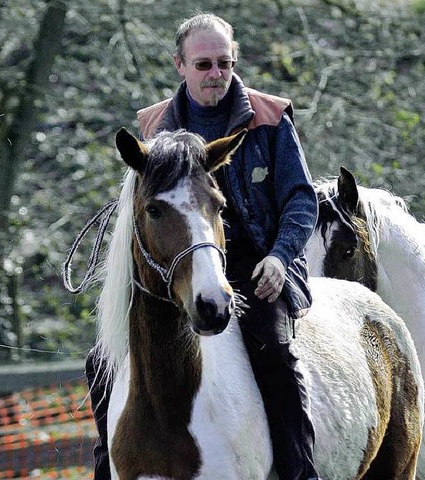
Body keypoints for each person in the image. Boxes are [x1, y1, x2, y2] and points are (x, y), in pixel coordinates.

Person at [85, 13, 320, 480]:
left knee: (274, 353)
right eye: (204, 64)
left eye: (224, 63)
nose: (215, 74)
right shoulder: (153, 128)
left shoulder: (271, 117)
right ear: (180, 66)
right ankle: (106, 467)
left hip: (257, 263)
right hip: (176, 264)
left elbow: (300, 198)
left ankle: (300, 470)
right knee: (101, 362)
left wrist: (280, 256)